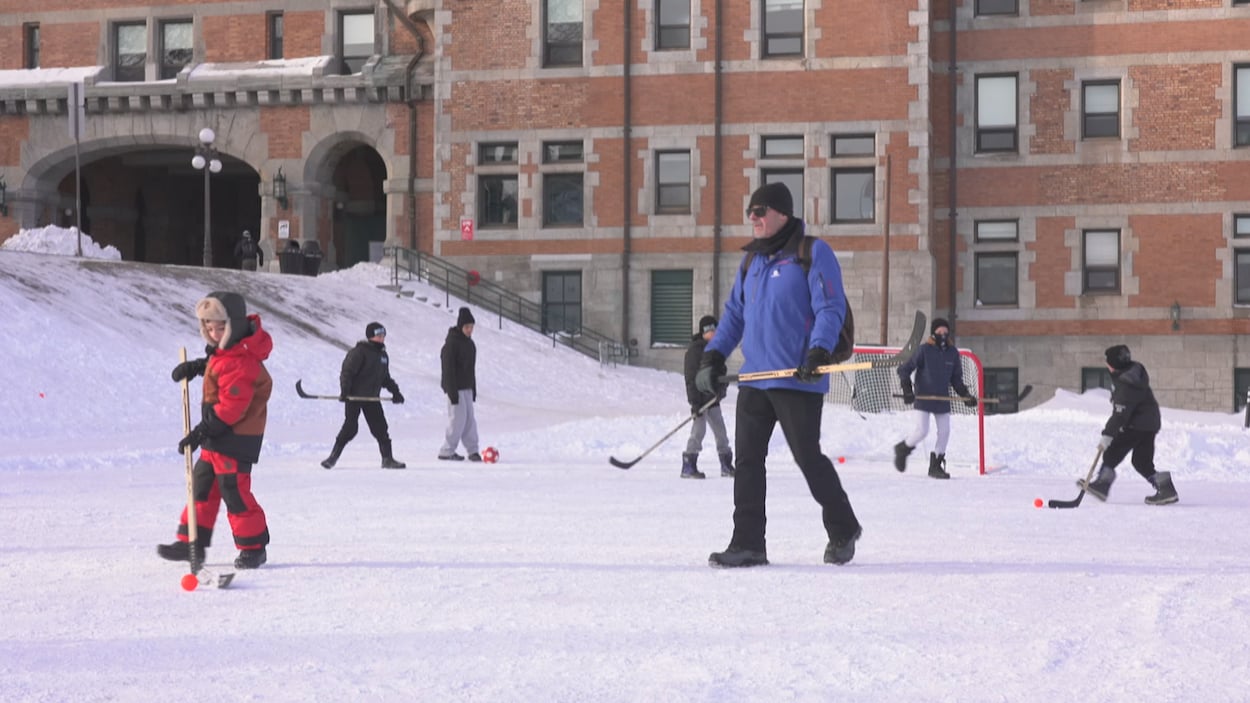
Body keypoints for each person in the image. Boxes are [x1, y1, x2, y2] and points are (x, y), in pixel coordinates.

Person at [695, 182, 861, 568]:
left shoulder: (811, 252)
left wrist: (818, 350)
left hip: (797, 377)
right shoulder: (751, 262)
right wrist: (714, 355)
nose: (753, 217)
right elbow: (735, 314)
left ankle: (843, 527)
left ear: (781, 214)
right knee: (748, 461)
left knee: (807, 457)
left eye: (760, 211)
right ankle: (748, 542)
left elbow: (830, 307)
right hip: (756, 377)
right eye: (750, 211)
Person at [159, 291, 273, 569]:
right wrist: (198, 367)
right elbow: (220, 365)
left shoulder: (243, 359)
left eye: (219, 327)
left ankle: (254, 547)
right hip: (217, 437)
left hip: (236, 438)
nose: (213, 333)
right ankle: (191, 542)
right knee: (201, 488)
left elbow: (233, 406)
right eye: (208, 328)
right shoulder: (227, 352)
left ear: (233, 325)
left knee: (234, 492)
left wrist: (200, 432)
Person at [1080, 344, 1178, 505]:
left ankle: (1102, 485)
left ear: (1112, 364)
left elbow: (1120, 415)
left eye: (1107, 362)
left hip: (1136, 424)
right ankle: (1166, 488)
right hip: (1150, 423)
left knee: (1112, 453)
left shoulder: (1126, 383)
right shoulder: (1133, 372)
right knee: (1141, 462)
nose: (1106, 365)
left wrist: (1107, 435)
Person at [893, 318, 978, 479]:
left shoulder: (953, 353)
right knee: (922, 431)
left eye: (946, 332)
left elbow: (956, 379)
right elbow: (904, 369)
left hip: (942, 400)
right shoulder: (924, 350)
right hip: (923, 398)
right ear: (934, 333)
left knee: (945, 432)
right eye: (940, 332)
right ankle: (903, 449)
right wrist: (907, 388)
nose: (943, 335)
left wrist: (965, 395)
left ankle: (936, 464)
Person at [320, 322, 407, 469]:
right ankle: (332, 457)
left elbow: (385, 378)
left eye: (383, 335)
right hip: (354, 396)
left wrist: (396, 392)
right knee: (350, 428)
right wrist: (345, 391)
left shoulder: (383, 355)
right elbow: (347, 372)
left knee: (380, 428)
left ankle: (387, 459)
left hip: (372, 398)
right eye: (378, 335)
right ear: (370, 336)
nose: (381, 338)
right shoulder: (359, 352)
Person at [681, 314, 732, 479]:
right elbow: (690, 379)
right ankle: (688, 465)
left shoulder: (716, 350)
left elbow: (720, 373)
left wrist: (721, 389)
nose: (713, 333)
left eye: (714, 329)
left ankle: (726, 465)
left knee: (721, 432)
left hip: (712, 400)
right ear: (703, 332)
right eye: (709, 330)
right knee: (698, 431)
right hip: (700, 401)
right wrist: (694, 403)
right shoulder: (695, 351)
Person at [440, 307, 481, 461]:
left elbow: (471, 369)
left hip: (467, 387)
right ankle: (447, 450)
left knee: (469, 420)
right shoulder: (451, 344)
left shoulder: (470, 345)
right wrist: (451, 391)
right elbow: (448, 369)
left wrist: (473, 388)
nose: (470, 330)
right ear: (460, 326)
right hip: (455, 389)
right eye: (467, 327)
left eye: (471, 327)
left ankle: (473, 450)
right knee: (457, 419)